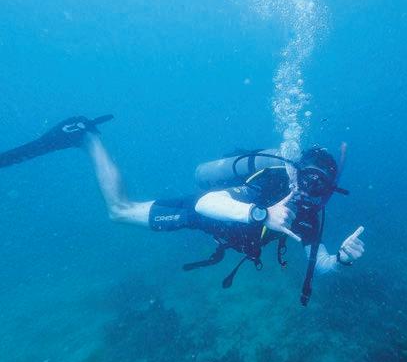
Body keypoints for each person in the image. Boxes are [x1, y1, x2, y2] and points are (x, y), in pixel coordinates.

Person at [0, 116, 365, 305]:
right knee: (119, 210)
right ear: (295, 172)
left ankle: (86, 137)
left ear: (331, 190)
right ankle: (86, 136)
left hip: (219, 231)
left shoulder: (310, 215)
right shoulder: (270, 183)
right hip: (199, 215)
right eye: (307, 178)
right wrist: (261, 214)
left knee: (120, 210)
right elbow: (205, 203)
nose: (309, 190)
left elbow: (320, 263)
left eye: (321, 185)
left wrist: (341, 260)